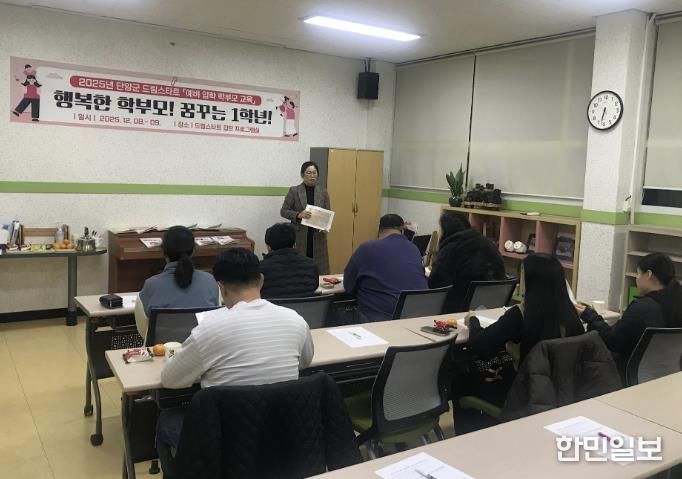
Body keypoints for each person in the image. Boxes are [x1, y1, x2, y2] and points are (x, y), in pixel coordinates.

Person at [157, 248, 314, 478]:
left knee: (166, 419)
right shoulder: (296, 320)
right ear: (261, 280)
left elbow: (170, 380)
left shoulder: (210, 329)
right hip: (281, 435)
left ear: (221, 288)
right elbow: (306, 361)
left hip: (224, 442)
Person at [458, 254, 585, 417]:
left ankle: (477, 431)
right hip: (564, 393)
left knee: (461, 380)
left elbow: (480, 344)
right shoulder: (572, 315)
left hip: (523, 393)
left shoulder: (521, 314)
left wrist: (473, 321)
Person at [577, 252, 682, 375]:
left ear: (648, 275)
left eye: (638, 273)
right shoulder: (676, 304)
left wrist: (589, 315)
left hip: (630, 374)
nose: (636, 278)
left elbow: (612, 341)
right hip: (669, 375)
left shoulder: (642, 308)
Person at [135, 226, 219, 338]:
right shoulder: (210, 281)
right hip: (202, 345)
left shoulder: (151, 285)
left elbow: (144, 331)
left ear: (164, 252)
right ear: (193, 251)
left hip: (163, 348)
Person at [343, 214, 428, 322]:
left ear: (379, 230)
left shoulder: (367, 248)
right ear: (402, 231)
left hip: (380, 319)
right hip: (419, 317)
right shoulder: (414, 249)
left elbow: (348, 285)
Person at [428, 211, 505, 313]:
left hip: (460, 308)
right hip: (492, 307)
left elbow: (435, 283)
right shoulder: (488, 243)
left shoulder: (451, 248)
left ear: (446, 230)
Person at [280, 161, 331, 275]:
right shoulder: (294, 191)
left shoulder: (323, 192)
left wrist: (326, 226)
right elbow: (283, 211)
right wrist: (298, 215)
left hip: (318, 237)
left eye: (314, 173)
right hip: (300, 236)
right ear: (302, 174)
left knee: (319, 270)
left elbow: (327, 213)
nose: (312, 176)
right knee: (300, 269)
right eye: (309, 173)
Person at [260, 222, 319, 298]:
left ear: (269, 246)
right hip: (305, 306)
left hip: (274, 306)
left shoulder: (260, 268)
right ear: (294, 244)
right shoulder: (311, 265)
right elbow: (315, 287)